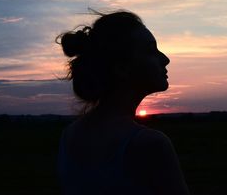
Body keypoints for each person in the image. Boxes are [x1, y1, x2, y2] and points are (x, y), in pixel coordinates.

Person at [56, 10, 190, 195]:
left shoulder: (69, 135)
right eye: (151, 50)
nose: (165, 59)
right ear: (121, 68)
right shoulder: (149, 144)